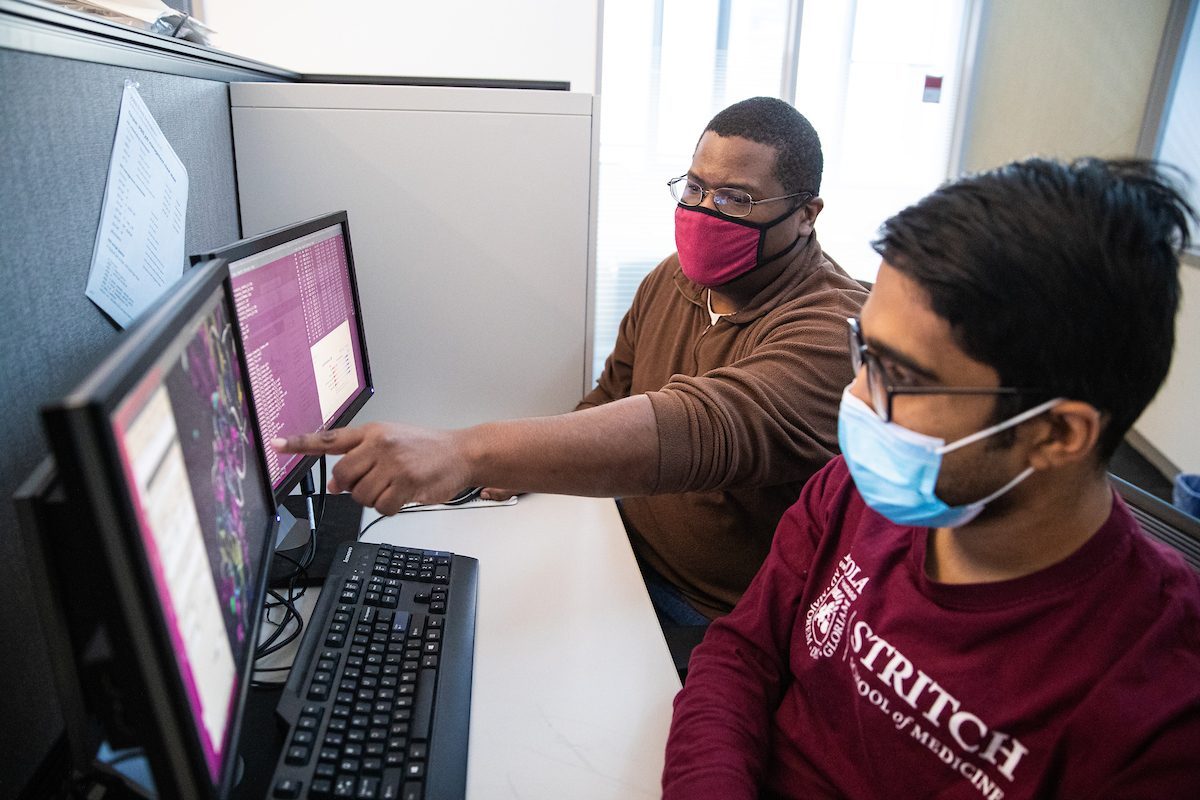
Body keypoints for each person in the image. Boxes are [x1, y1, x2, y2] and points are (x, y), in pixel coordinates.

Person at [662, 157, 1200, 798]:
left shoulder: (1158, 711)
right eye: (866, 352)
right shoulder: (850, 491)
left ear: (1057, 434)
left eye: (903, 377)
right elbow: (740, 655)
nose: (858, 398)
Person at [275, 97, 866, 622]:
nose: (705, 212)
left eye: (735, 198)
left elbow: (701, 427)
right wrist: (519, 469)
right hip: (616, 546)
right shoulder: (673, 280)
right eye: (694, 188)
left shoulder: (836, 332)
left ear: (806, 214)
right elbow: (613, 394)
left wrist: (466, 452)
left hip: (711, 615)